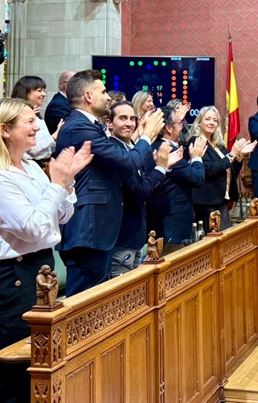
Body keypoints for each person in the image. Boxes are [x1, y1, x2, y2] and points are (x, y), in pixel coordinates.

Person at [0, 98, 92, 403]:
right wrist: (58, 185)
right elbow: (34, 227)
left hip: (37, 271)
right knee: (7, 380)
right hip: (6, 281)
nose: (38, 126)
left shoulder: (32, 168)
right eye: (29, 121)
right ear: (5, 130)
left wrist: (66, 183)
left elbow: (61, 215)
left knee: (34, 370)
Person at [54, 70, 165, 296]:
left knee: (100, 302)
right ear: (88, 96)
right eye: (103, 92)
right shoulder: (78, 126)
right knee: (85, 303)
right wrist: (146, 136)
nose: (107, 97)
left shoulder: (91, 126)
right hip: (88, 229)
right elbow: (127, 162)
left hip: (99, 230)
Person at [106, 101, 182, 277]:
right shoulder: (116, 150)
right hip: (122, 237)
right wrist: (161, 168)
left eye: (132, 119)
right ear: (109, 123)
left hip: (136, 236)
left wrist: (162, 167)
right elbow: (139, 192)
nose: (129, 123)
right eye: (122, 118)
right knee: (124, 290)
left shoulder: (131, 149)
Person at [187, 106, 255, 230]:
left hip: (221, 199)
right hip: (207, 201)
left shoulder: (218, 144)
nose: (212, 123)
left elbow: (230, 170)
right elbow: (209, 170)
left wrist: (239, 156)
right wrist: (232, 154)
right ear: (199, 122)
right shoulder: (196, 141)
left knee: (224, 237)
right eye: (208, 119)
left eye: (215, 120)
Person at [148, 106, 207, 245]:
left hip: (163, 213)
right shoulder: (167, 150)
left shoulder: (154, 145)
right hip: (174, 217)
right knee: (176, 254)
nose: (182, 127)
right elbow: (197, 178)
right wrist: (197, 157)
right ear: (169, 128)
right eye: (179, 123)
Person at [11, 75, 58, 163]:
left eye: (44, 90)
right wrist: (55, 136)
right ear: (26, 92)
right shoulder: (17, 115)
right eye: (39, 91)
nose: (43, 94)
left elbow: (46, 150)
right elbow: (32, 149)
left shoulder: (37, 115)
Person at [44, 70, 75, 135]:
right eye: (77, 83)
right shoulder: (57, 105)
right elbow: (71, 130)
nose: (81, 87)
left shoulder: (67, 101)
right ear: (66, 85)